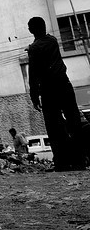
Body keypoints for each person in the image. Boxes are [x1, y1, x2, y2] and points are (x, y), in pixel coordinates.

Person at [27, 16, 86, 171]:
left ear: (32, 30)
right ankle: (79, 160)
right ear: (44, 27)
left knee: (54, 127)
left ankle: (62, 162)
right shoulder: (52, 41)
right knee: (74, 122)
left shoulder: (34, 49)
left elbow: (33, 75)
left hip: (49, 90)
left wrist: (34, 97)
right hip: (64, 85)